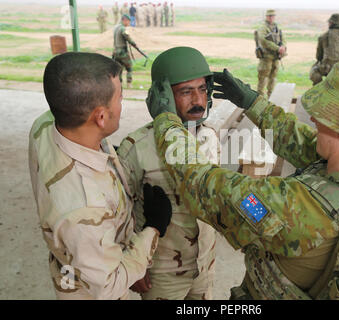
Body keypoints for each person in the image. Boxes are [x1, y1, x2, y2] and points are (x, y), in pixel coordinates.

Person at [145, 56, 339, 300]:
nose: (314, 119)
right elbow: (305, 143)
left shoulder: (295, 206)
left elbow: (200, 183)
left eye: (323, 113)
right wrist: (252, 103)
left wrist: (167, 121)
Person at [28, 52, 173, 299]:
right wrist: (153, 229)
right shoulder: (83, 210)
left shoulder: (46, 124)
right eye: (120, 97)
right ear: (101, 116)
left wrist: (111, 161)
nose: (122, 103)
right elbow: (109, 285)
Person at [117, 47, 218, 300]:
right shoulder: (136, 146)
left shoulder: (209, 137)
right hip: (161, 270)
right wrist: (132, 264)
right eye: (186, 91)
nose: (198, 100)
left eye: (202, 89)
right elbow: (119, 212)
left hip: (204, 265)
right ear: (164, 95)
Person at [309, 13, 339, 86]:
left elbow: (319, 56)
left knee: (314, 71)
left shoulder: (324, 36)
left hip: (328, 68)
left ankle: (318, 89)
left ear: (331, 23)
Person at [256, 9, 287, 98]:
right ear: (266, 17)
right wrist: (278, 48)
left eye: (273, 16)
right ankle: (260, 98)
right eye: (269, 16)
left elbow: (283, 39)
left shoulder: (276, 28)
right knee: (262, 78)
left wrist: (283, 47)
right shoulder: (263, 28)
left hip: (275, 57)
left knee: (273, 78)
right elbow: (263, 41)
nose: (271, 18)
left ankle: (271, 96)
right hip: (266, 58)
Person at [113, 14, 136, 89]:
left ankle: (119, 84)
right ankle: (129, 84)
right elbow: (128, 38)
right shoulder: (123, 29)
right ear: (125, 20)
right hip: (122, 52)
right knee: (129, 67)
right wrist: (134, 44)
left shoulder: (116, 28)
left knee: (119, 69)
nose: (129, 23)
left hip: (115, 52)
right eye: (128, 21)